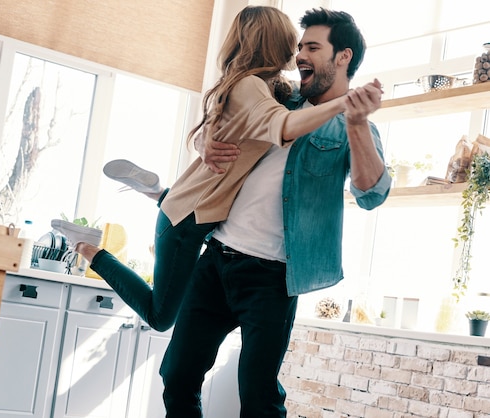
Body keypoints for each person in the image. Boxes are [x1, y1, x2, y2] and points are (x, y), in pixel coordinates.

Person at [52, 6, 373, 332]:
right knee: (160, 317)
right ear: (276, 42)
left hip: (201, 211)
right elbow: (283, 126)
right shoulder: (254, 88)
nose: (300, 52)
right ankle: (88, 247)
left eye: (306, 47)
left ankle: (159, 191)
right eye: (296, 43)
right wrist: (345, 104)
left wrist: (204, 138)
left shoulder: (276, 89)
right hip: (185, 224)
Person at [158, 7, 391, 418]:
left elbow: (371, 195)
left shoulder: (357, 128)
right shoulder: (279, 98)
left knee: (258, 396)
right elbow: (223, 119)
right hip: (217, 259)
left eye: (313, 47)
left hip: (273, 278)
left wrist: (354, 121)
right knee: (177, 376)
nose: (300, 55)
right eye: (300, 46)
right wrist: (205, 143)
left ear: (343, 57)